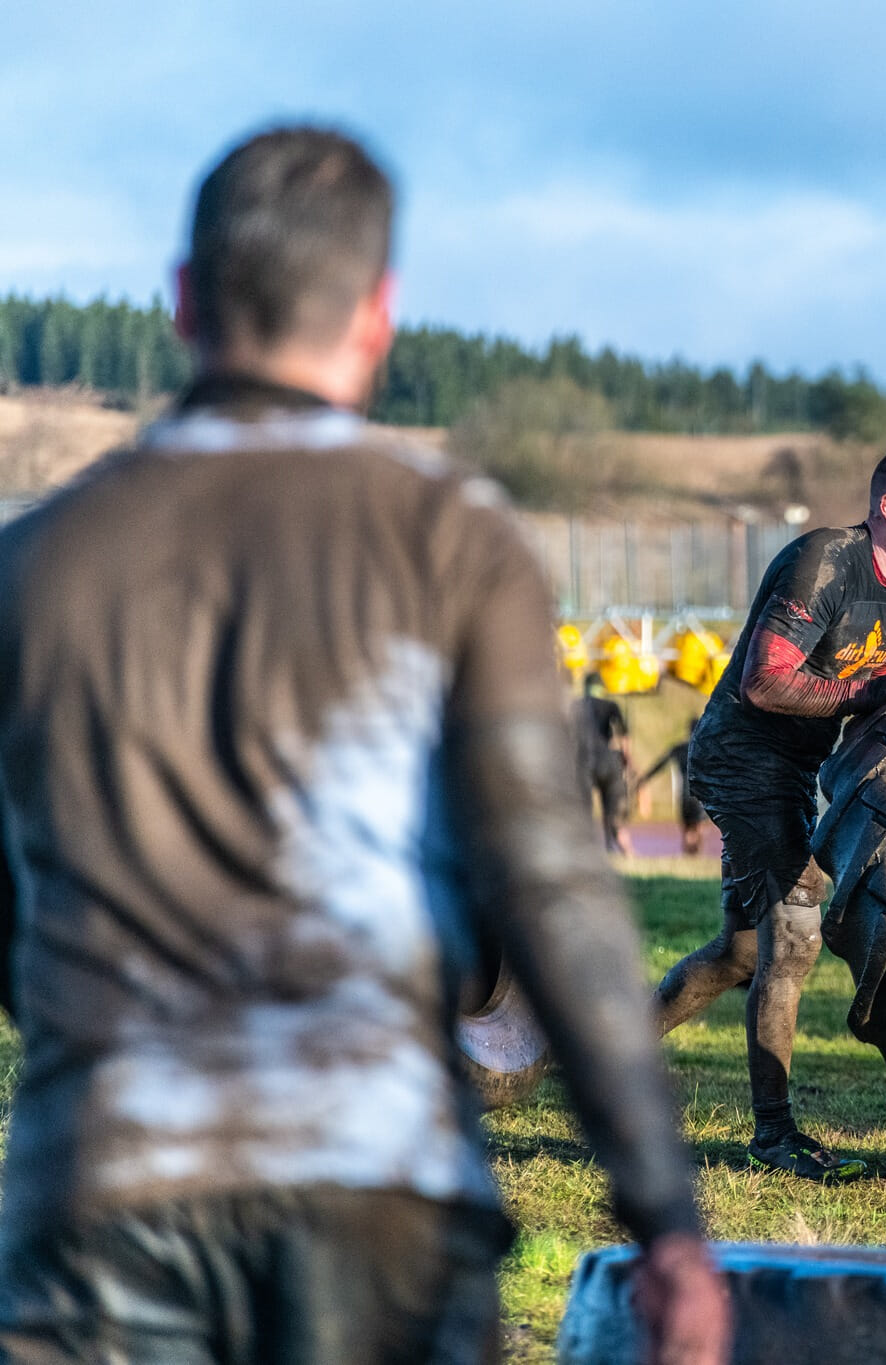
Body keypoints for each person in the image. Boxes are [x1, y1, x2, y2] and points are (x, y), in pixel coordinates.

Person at [0, 127, 729, 1365]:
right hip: (379, 1188)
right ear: (379, 316)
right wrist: (662, 1214)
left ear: (180, 299)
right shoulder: (451, 539)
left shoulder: (36, 564)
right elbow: (548, 884)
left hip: (99, 1191)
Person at [653, 443, 886, 1181]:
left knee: (743, 953)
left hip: (797, 765)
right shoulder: (824, 560)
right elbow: (765, 682)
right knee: (795, 928)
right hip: (739, 758)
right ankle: (774, 1134)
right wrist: (862, 695)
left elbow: (860, 673)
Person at [578, 673, 636, 854]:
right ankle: (620, 850)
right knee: (614, 813)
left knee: (583, 810)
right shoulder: (611, 705)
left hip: (585, 760)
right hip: (609, 761)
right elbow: (623, 736)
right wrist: (628, 761)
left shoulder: (576, 706)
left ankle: (585, 850)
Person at [638, 724, 708, 857]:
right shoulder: (705, 749)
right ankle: (697, 856)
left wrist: (644, 778)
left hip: (683, 796)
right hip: (699, 795)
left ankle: (688, 857)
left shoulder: (678, 748)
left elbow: (660, 764)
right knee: (698, 828)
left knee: (687, 830)